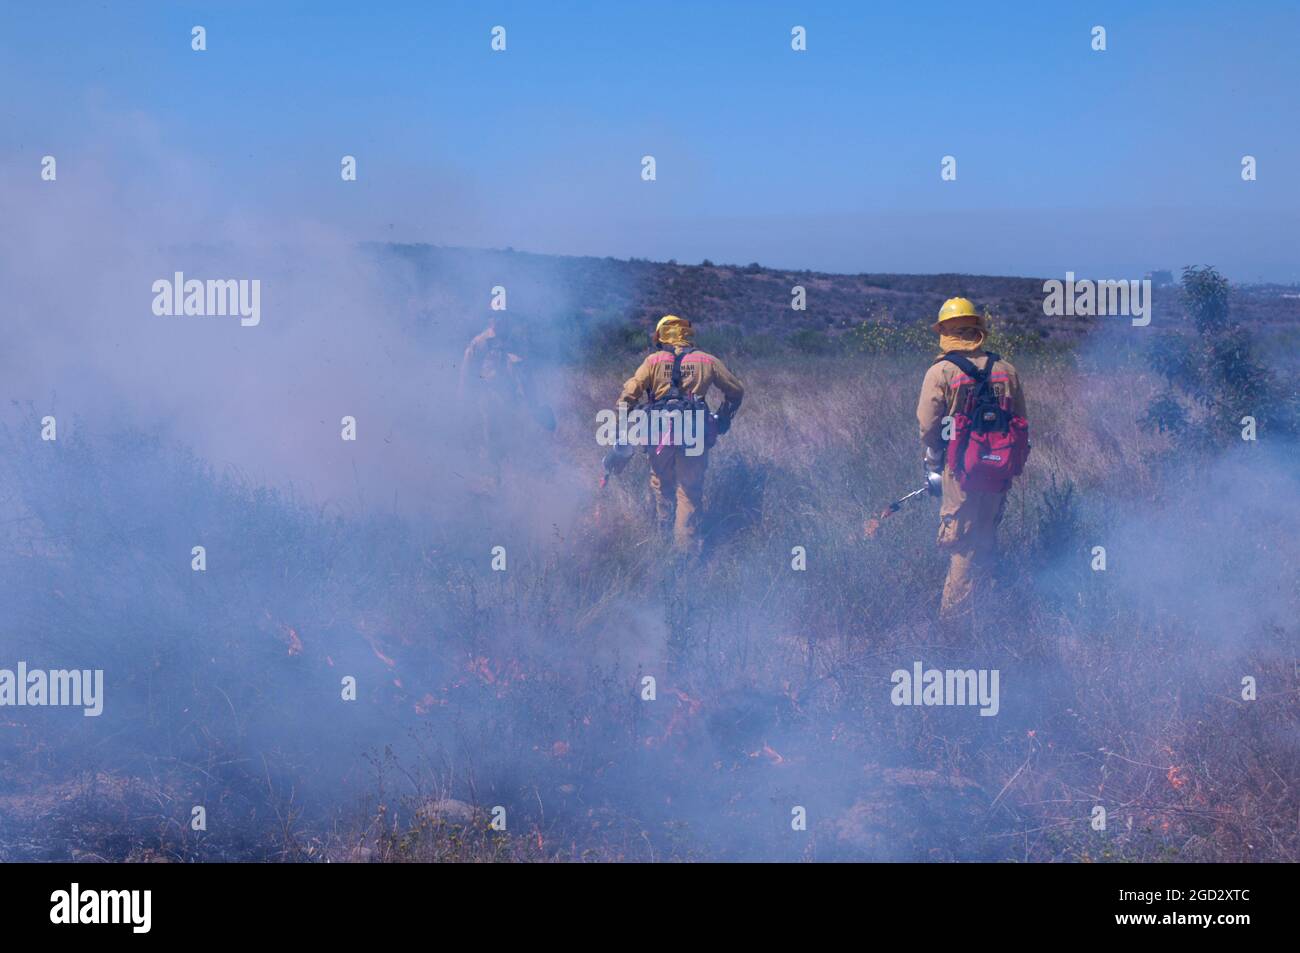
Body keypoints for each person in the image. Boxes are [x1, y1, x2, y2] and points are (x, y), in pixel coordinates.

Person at [916, 298, 1028, 620]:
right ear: (978, 329)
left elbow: (927, 425)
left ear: (945, 332)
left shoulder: (941, 371)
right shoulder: (1006, 370)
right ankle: (992, 615)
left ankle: (954, 630)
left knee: (961, 542)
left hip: (959, 470)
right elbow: (1021, 422)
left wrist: (935, 456)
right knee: (987, 536)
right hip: (999, 468)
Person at [617, 315, 744, 552]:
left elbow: (627, 397)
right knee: (689, 491)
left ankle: (664, 538)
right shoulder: (707, 360)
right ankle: (684, 554)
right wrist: (724, 418)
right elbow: (736, 390)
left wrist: (623, 432)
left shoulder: (652, 361)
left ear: (662, 336)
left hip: (657, 434)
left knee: (661, 484)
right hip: (693, 435)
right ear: (687, 335)